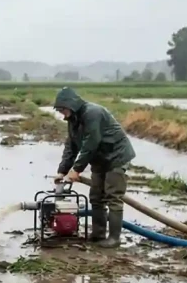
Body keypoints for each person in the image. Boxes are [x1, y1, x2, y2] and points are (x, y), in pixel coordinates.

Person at [53, 87, 136, 248]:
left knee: (113, 197)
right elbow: (71, 147)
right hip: (99, 160)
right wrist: (62, 171)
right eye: (59, 110)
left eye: (62, 109)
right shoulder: (73, 121)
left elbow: (91, 143)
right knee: (96, 197)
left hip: (116, 156)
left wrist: (76, 169)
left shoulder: (93, 113)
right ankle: (98, 235)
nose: (62, 113)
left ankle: (114, 238)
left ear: (71, 105)